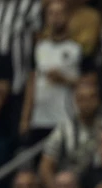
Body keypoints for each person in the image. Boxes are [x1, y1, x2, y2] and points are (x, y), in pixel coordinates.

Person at [20, 0, 80, 146]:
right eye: (51, 13)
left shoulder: (76, 49)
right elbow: (31, 83)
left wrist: (64, 80)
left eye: (59, 13)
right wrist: (25, 118)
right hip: (38, 118)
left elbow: (87, 83)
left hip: (64, 117)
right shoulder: (39, 49)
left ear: (68, 16)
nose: (55, 17)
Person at [38, 76, 102, 188]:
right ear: (76, 101)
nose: (87, 103)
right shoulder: (64, 130)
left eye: (92, 97)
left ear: (99, 99)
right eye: (82, 99)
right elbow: (45, 166)